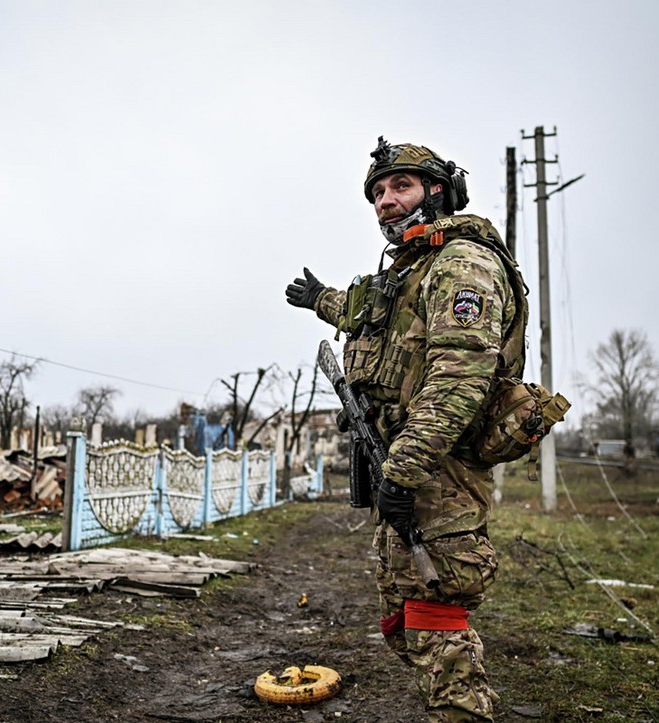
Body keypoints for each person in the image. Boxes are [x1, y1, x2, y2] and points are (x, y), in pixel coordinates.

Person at [285, 136, 529, 721]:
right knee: (403, 618)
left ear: (438, 192)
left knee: (434, 618)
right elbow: (371, 313)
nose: (385, 201)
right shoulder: (415, 268)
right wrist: (320, 300)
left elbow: (458, 382)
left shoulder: (462, 264)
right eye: (377, 193)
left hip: (435, 473)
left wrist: (402, 471)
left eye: (400, 186)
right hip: (404, 463)